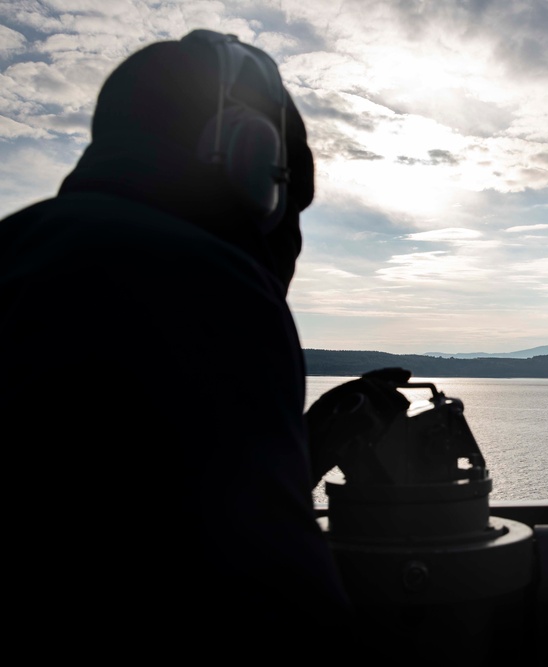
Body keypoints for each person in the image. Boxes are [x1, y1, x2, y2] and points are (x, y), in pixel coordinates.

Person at [0, 31, 348, 645]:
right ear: (247, 157)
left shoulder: (20, 249)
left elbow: (105, 497)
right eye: (286, 195)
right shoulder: (208, 284)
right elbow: (280, 610)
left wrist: (302, 454)